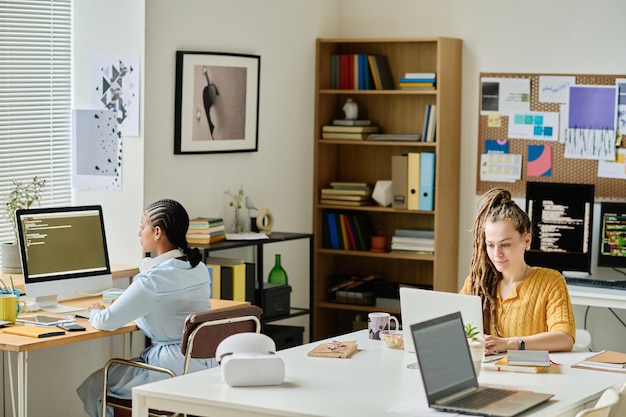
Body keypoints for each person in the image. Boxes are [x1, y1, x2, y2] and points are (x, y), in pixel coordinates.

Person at [77, 199, 214, 417]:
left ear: (157, 232)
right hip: (202, 365)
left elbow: (106, 321)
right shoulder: (198, 268)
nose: (139, 233)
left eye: (143, 227)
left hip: (169, 370)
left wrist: (94, 311)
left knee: (96, 383)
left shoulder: (152, 280)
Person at [460, 187, 576, 354]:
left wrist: (509, 344)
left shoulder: (551, 281)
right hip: (486, 374)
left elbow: (565, 338)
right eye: (490, 245)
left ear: (526, 240)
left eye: (505, 244)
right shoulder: (476, 283)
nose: (496, 253)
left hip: (533, 376)